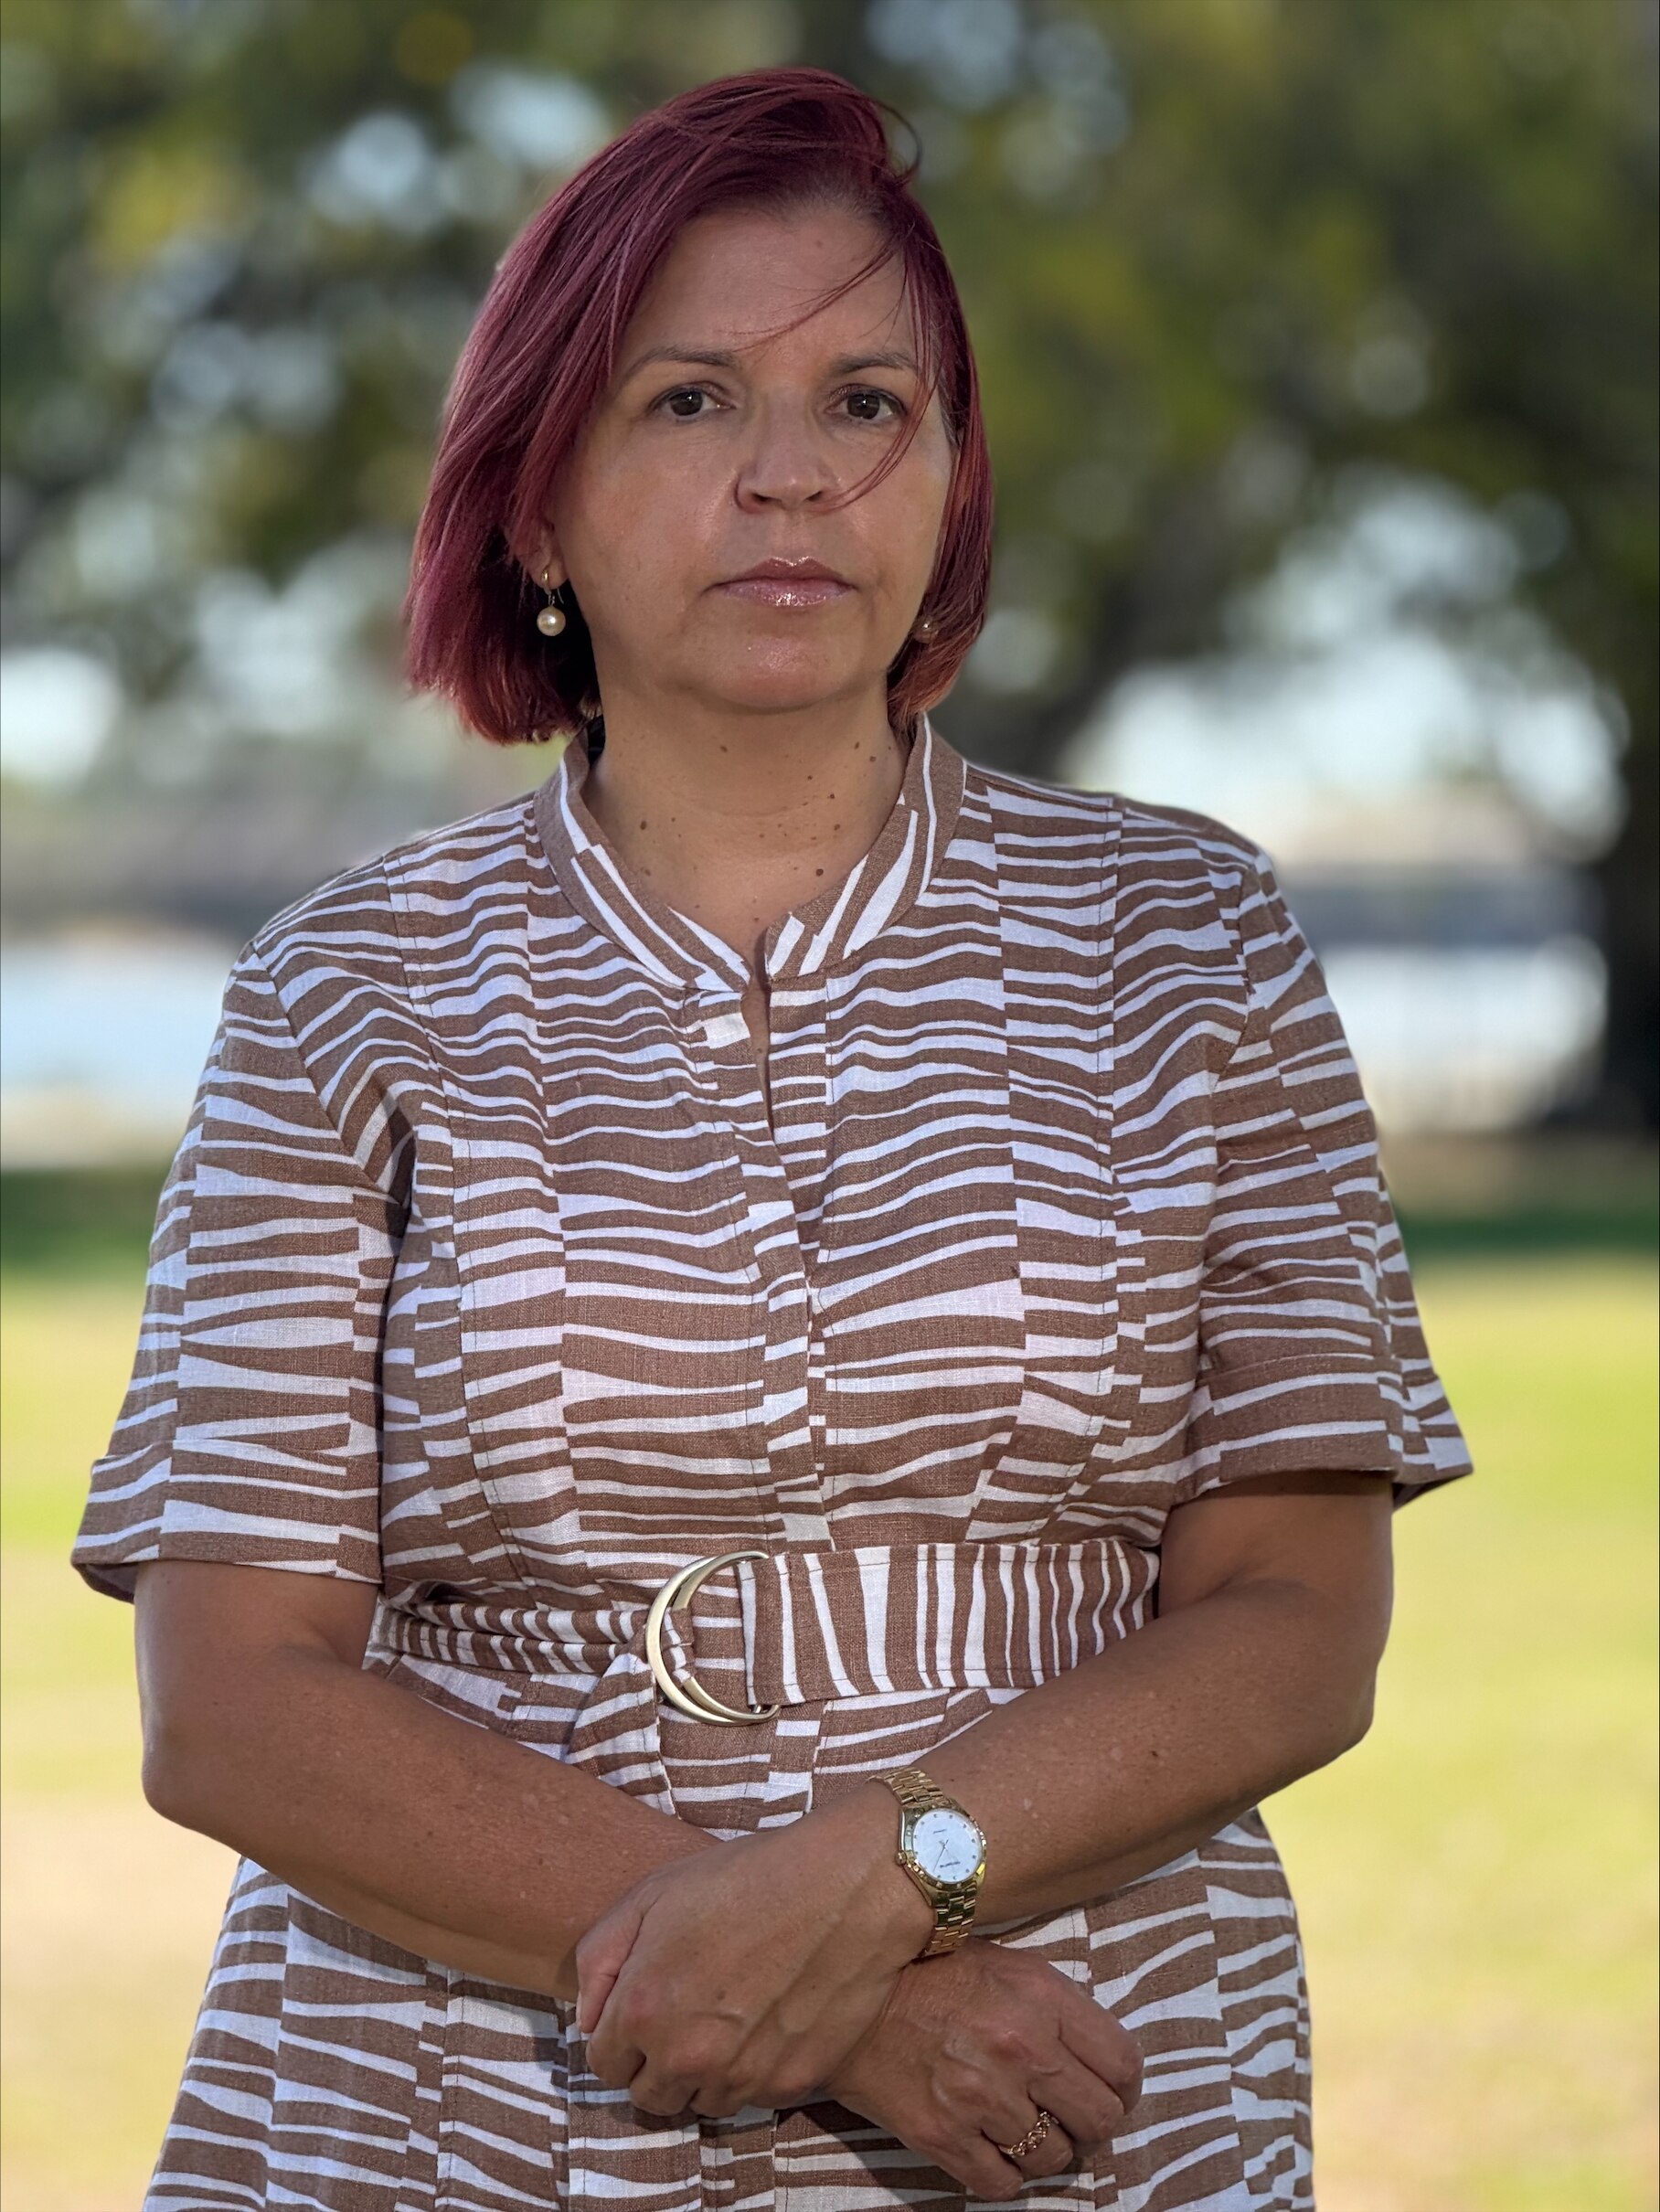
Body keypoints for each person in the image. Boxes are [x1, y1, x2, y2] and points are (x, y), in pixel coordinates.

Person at [72, 66, 1474, 2212]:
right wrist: (858, 1992)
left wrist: (898, 1871)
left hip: (1073, 2100)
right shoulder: (343, 986)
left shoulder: (1186, 942)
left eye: (864, 404)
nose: (791, 479)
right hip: (452, 2110)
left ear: (945, 480)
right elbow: (231, 1704)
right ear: (532, 505)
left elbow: (1296, 1607)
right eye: (690, 404)